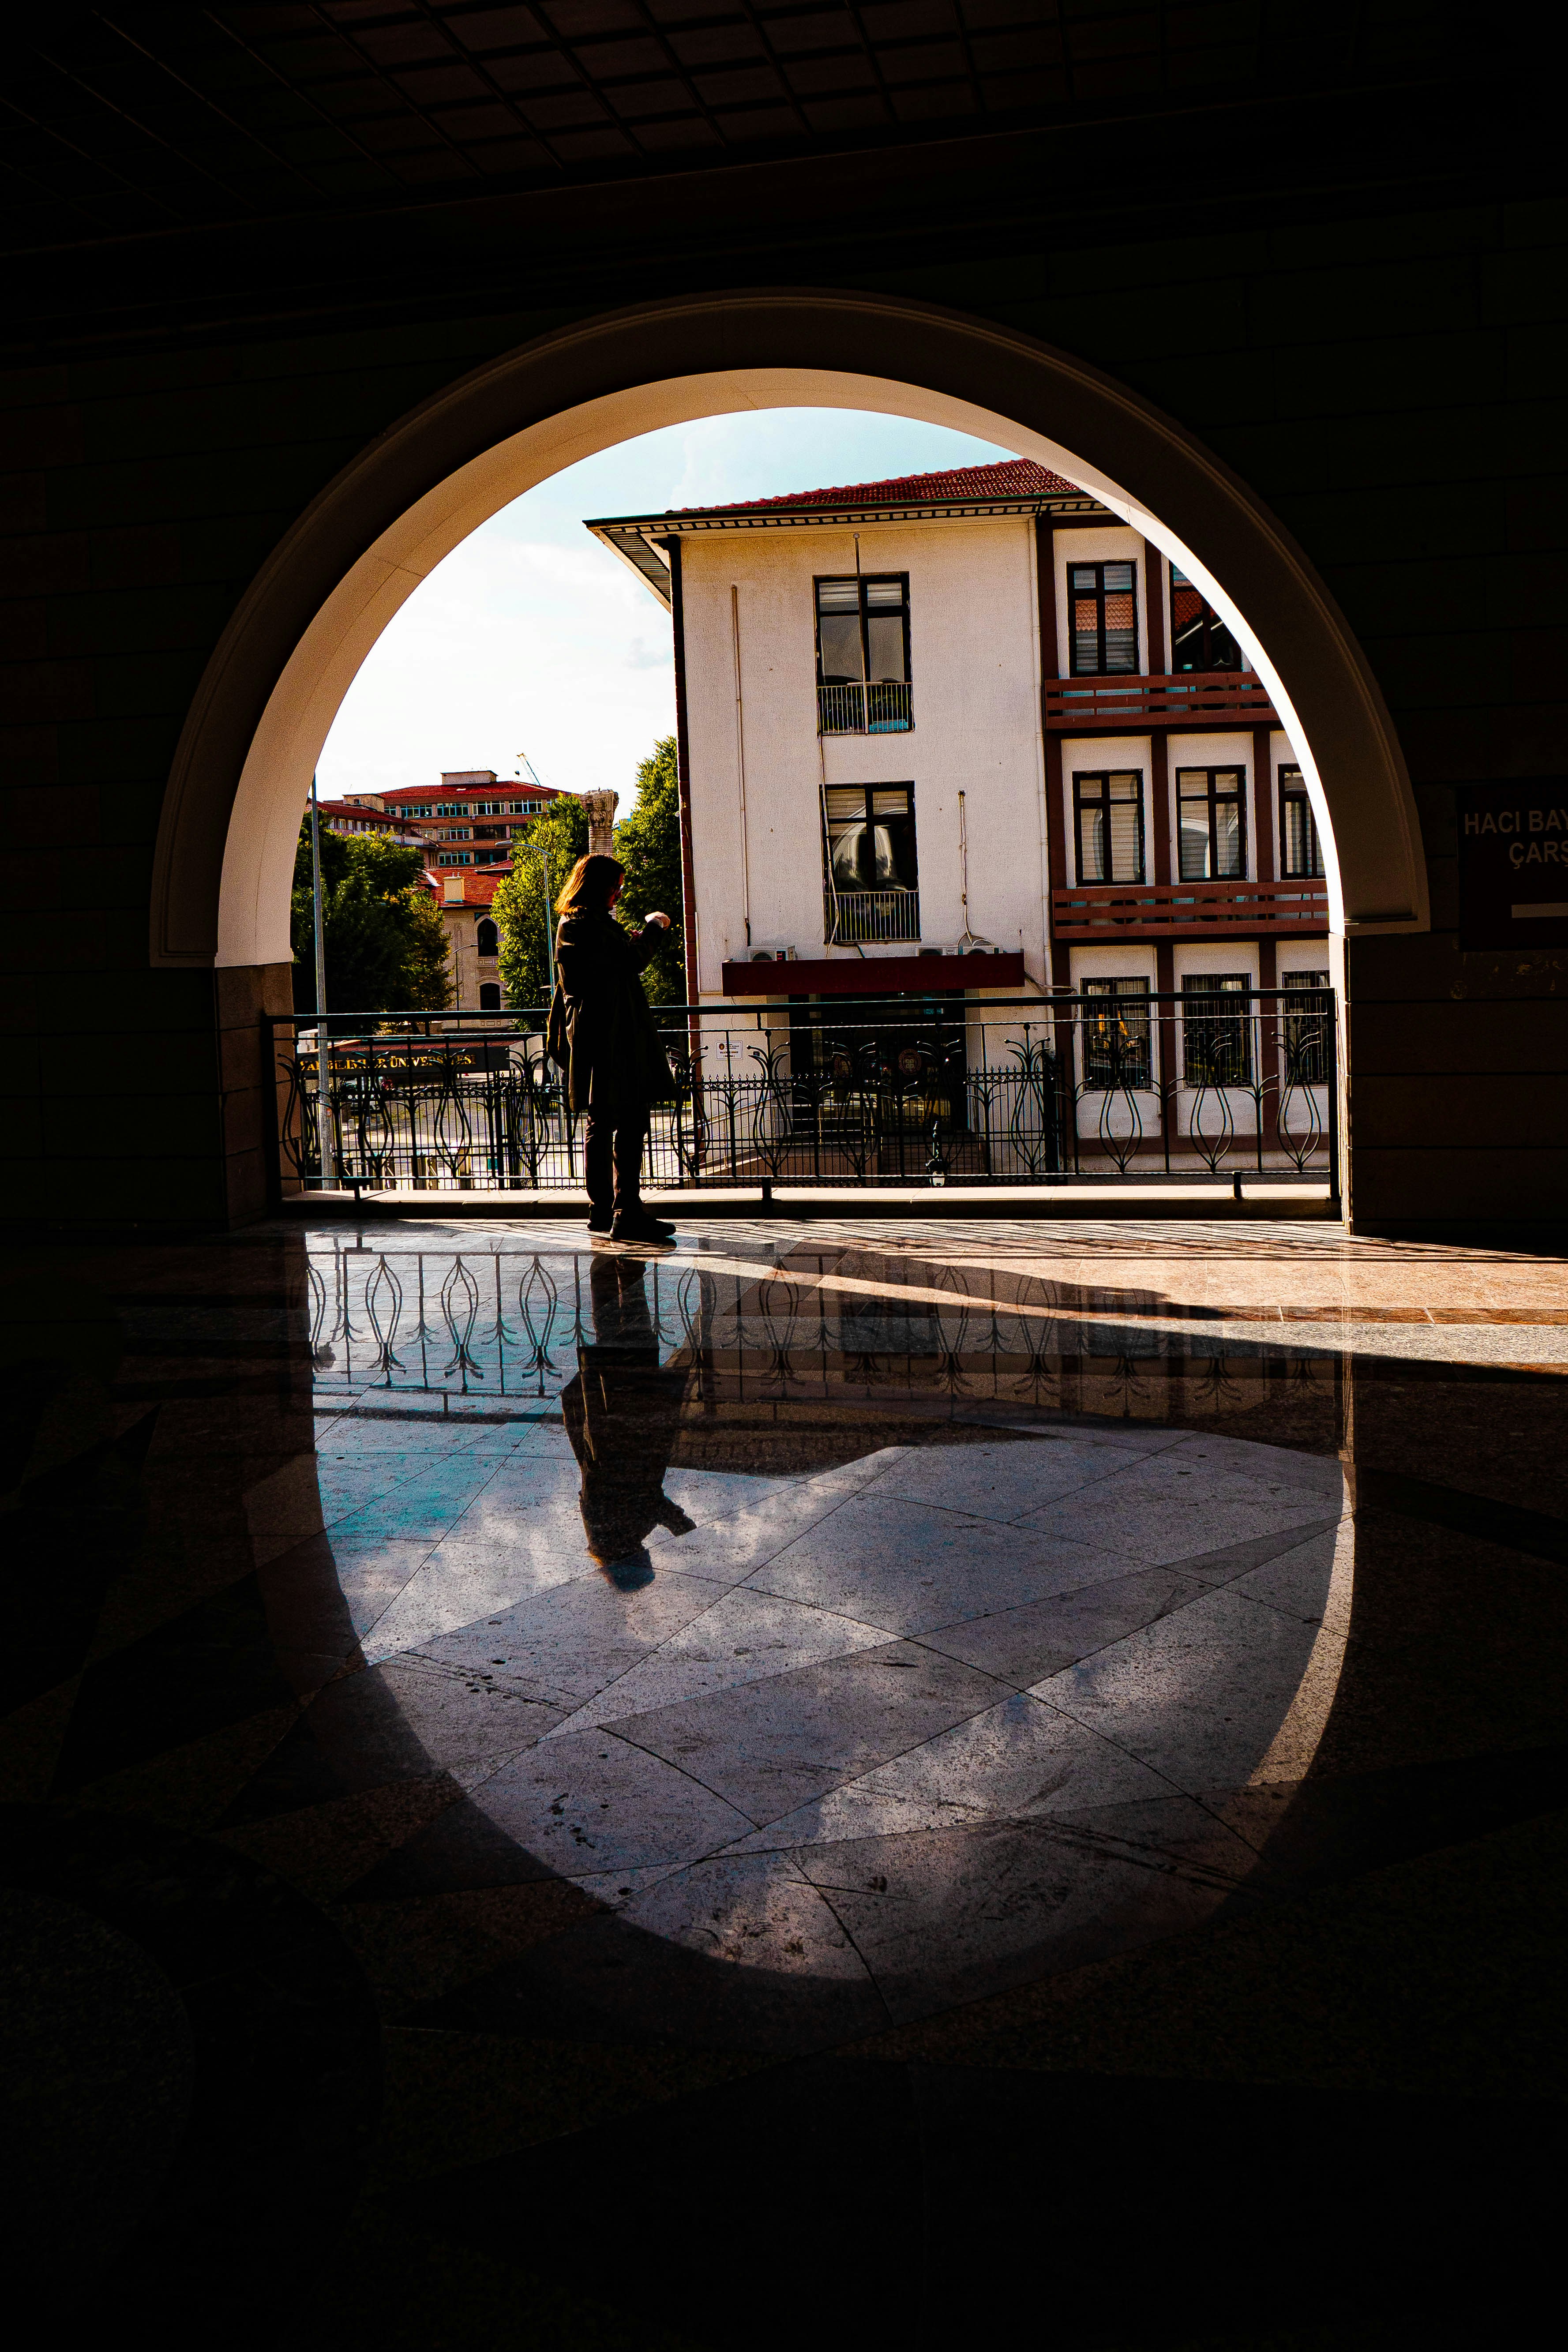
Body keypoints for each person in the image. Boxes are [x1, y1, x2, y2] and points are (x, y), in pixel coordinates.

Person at [551, 852, 678, 1243]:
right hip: (613, 1038)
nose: (619, 893)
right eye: (615, 885)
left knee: (603, 1122)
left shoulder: (580, 924)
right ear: (598, 886)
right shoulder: (583, 925)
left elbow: (612, 964)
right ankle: (626, 1212)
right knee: (627, 1121)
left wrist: (628, 942)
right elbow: (630, 962)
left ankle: (603, 1212)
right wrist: (654, 927)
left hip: (598, 1037)